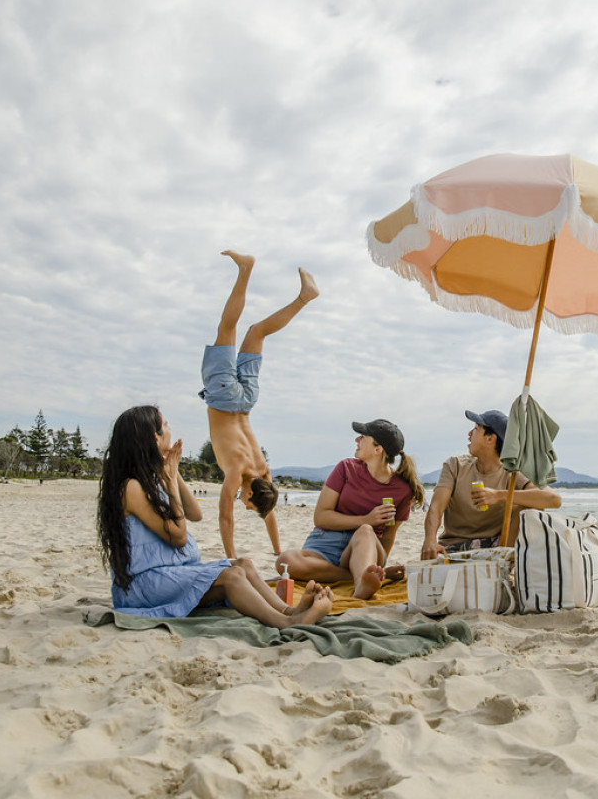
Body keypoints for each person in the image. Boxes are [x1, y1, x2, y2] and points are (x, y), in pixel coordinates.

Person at [96, 405, 332, 627]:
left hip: (169, 574)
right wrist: (169, 480)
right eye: (165, 425)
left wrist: (172, 473)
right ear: (154, 438)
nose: (170, 429)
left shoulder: (154, 478)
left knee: (244, 564)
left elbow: (195, 514)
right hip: (144, 585)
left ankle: (289, 611)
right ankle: (286, 623)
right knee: (232, 577)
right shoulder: (131, 488)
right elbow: (178, 536)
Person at [201, 249, 319, 560]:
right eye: (247, 502)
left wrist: (279, 551)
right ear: (251, 493)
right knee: (227, 330)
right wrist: (232, 557)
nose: (244, 503)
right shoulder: (238, 470)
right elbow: (225, 517)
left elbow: (269, 511)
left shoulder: (264, 472)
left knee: (257, 332)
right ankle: (245, 269)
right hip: (224, 398)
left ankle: (304, 297)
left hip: (247, 401)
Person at [277, 420, 425, 599]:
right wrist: (365, 519)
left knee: (365, 531)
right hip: (325, 545)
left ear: (378, 450)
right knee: (285, 561)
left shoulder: (402, 489)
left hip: (365, 547)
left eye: (363, 437)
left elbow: (387, 537)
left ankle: (362, 581)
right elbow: (321, 517)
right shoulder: (346, 468)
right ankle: (358, 576)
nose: (357, 440)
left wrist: (368, 532)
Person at [421, 409, 562, 559]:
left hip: (497, 549)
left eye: (475, 429)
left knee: (530, 503)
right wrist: (430, 540)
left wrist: (499, 496)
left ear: (490, 439)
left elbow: (553, 499)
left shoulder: (513, 473)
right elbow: (436, 507)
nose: (469, 434)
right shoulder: (455, 465)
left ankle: (507, 563)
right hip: (455, 546)